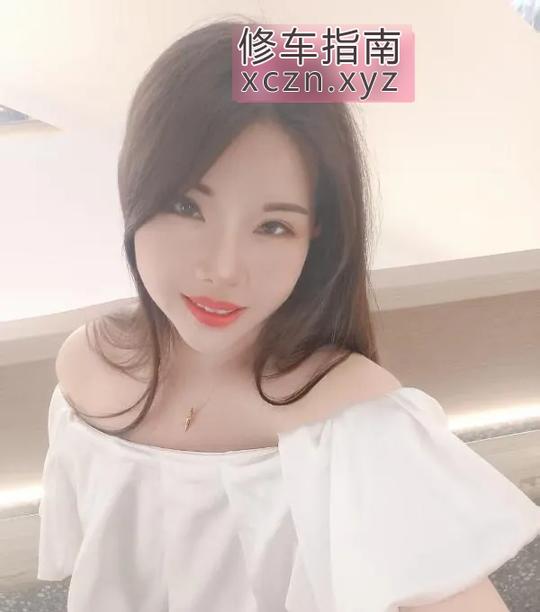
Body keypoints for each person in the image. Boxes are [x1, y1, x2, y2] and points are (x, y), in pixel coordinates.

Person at [37, 16, 540, 612]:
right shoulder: (90, 371)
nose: (223, 268)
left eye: (273, 226)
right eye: (186, 206)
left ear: (316, 235)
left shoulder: (354, 424)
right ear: (135, 187)